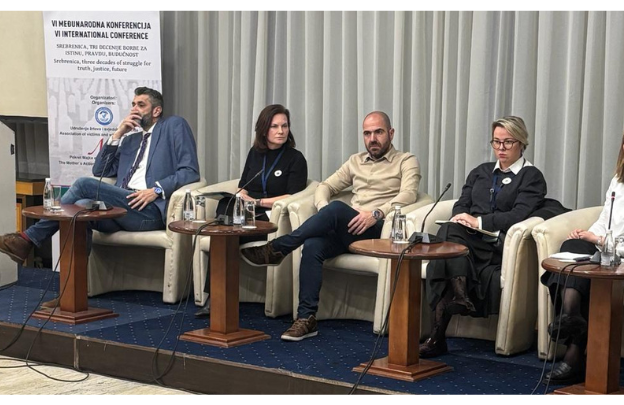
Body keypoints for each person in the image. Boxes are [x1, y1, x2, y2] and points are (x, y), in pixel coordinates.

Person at [0, 87, 200, 306]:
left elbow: (190, 171)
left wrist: (156, 189)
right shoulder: (130, 140)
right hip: (118, 209)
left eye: (141, 105)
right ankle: (72, 295)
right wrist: (117, 135)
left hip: (146, 211)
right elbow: (101, 171)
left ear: (156, 111)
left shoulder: (173, 126)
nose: (134, 109)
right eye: (133, 104)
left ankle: (27, 239)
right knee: (78, 208)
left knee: (82, 184)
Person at [240, 111, 421, 341]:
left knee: (336, 211)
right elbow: (325, 186)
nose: (372, 139)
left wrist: (376, 213)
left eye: (378, 132)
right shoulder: (355, 161)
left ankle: (280, 247)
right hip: (349, 230)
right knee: (314, 245)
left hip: (379, 230)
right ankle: (306, 318)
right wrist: (323, 206)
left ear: (391, 133)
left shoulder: (406, 160)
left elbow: (408, 194)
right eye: (367, 133)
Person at [540, 118, 624, 384]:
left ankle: (573, 347)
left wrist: (599, 240)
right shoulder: (619, 179)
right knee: (569, 249)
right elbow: (605, 219)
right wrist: (586, 234)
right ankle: (571, 317)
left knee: (585, 275)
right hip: (605, 252)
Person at [420, 116, 550, 359]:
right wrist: (460, 217)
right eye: (496, 142)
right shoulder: (480, 172)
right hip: (467, 242)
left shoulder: (531, 176)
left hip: (496, 245)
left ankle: (439, 333)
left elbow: (519, 214)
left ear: (522, 143)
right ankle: (457, 297)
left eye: (508, 142)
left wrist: (478, 222)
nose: (500, 148)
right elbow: (461, 204)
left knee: (446, 242)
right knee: (449, 231)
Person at [195, 104, 308, 317]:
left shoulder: (295, 158)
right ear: (264, 130)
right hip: (246, 213)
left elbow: (293, 196)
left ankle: (215, 298)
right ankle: (216, 296)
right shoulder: (255, 153)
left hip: (270, 217)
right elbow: (244, 184)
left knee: (226, 234)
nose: (281, 131)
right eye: (275, 126)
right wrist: (239, 195)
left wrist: (257, 202)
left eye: (285, 126)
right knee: (224, 216)